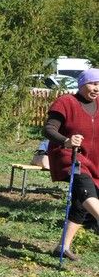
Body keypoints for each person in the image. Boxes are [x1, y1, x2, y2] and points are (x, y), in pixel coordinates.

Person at [44, 68, 99, 260]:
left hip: (94, 160)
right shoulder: (66, 102)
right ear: (82, 84)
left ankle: (63, 246)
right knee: (85, 191)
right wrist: (66, 141)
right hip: (69, 156)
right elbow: (49, 129)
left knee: (80, 203)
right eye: (93, 83)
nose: (96, 88)